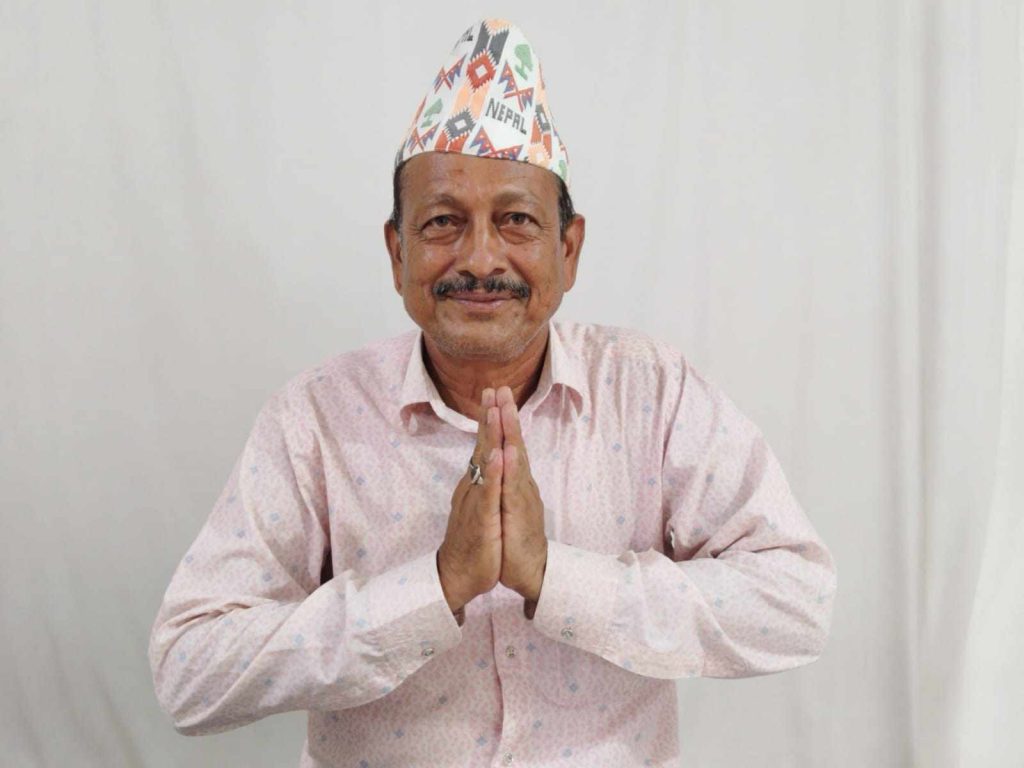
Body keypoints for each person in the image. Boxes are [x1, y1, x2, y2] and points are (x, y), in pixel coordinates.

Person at [148, 17, 837, 767]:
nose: (480, 258)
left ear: (568, 249)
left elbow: (796, 600)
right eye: (444, 222)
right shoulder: (314, 418)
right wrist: (434, 587)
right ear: (397, 251)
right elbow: (188, 671)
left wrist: (557, 579)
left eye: (516, 221)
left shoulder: (652, 392)